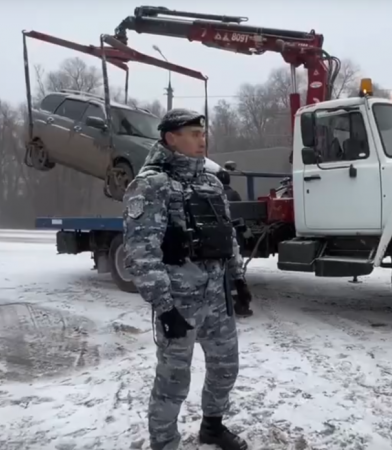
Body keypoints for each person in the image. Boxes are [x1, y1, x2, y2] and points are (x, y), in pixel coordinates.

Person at [123, 108, 252, 450]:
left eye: (202, 133)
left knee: (226, 366)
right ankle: (164, 442)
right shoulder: (151, 185)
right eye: (194, 134)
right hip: (178, 301)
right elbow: (141, 253)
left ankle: (212, 427)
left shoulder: (210, 183)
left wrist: (238, 279)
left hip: (216, 297)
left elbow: (227, 236)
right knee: (173, 379)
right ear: (171, 138)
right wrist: (164, 307)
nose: (202, 139)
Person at [215, 170, 253, 317]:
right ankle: (241, 304)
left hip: (217, 239)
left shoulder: (212, 194)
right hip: (233, 237)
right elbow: (239, 215)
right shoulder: (233, 195)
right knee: (236, 270)